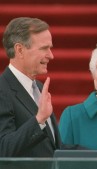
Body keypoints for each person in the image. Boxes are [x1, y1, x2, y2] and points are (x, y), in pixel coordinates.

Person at [0, 17, 61, 157]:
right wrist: (39, 119)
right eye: (44, 48)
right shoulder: (2, 90)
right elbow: (3, 148)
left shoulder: (38, 87)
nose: (51, 56)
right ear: (20, 50)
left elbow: (54, 149)